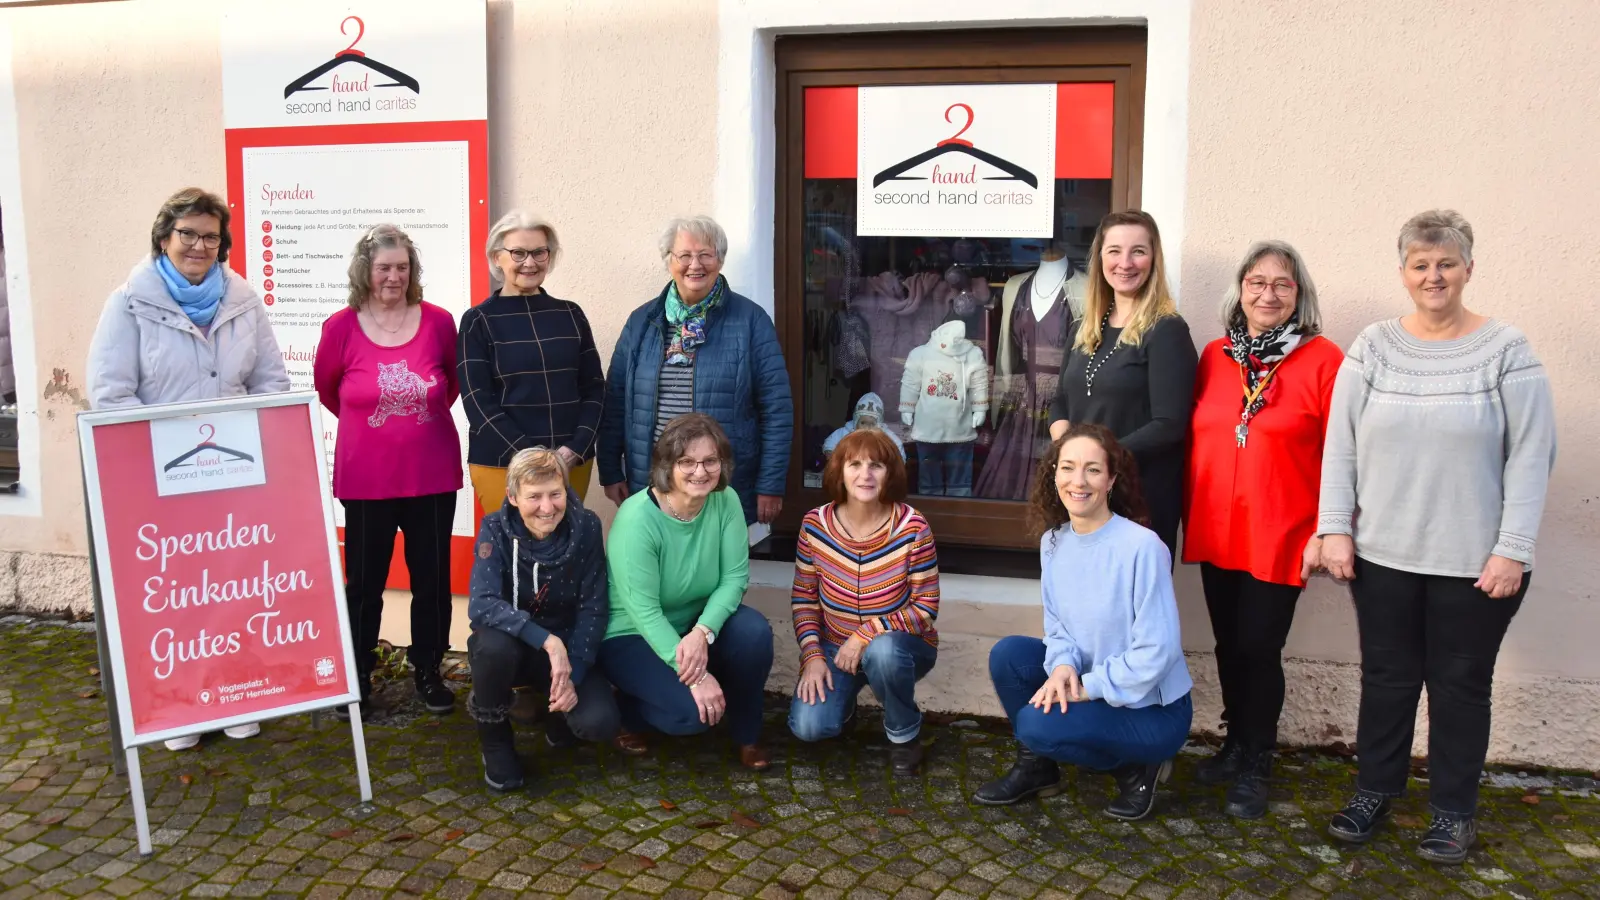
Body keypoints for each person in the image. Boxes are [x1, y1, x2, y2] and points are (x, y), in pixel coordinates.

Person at [1317, 210, 1556, 864]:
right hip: (1384, 556)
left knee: (1459, 686)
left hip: (1476, 563)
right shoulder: (1373, 347)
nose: (1434, 276)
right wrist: (1334, 529)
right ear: (1403, 274)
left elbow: (1531, 456)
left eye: (1446, 263)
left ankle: (1453, 811)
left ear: (1468, 269)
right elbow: (1342, 448)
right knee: (1387, 679)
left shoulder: (1506, 350)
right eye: (1420, 265)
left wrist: (1513, 548)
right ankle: (1375, 791)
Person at [87, 187, 289, 750]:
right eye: (188, 234)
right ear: (163, 238)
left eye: (211, 236)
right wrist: (167, 444)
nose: (200, 245)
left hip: (233, 472)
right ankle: (181, 705)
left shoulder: (244, 301)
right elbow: (110, 395)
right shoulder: (128, 304)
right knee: (175, 591)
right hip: (163, 479)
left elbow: (270, 382)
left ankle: (234, 692)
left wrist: (252, 437)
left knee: (231, 586)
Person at [1182, 241, 1344, 819]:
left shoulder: (1324, 360)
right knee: (1229, 643)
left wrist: (1331, 529)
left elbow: (1343, 453)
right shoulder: (1215, 355)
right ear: (1240, 289)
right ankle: (1232, 744)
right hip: (1218, 525)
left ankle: (1257, 758)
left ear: (1299, 295)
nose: (1268, 294)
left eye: (1282, 284)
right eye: (1257, 282)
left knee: (1259, 645)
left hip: (1282, 531)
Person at [974, 425, 1193, 821]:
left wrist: (1085, 688)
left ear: (1111, 480)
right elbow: (1057, 627)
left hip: (1150, 710)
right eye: (1068, 467)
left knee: (1036, 725)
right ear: (1053, 474)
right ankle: (1039, 768)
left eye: (1093, 470)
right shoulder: (1054, 542)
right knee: (1008, 655)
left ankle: (1137, 769)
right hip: (1091, 685)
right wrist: (1061, 667)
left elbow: (1156, 653)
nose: (1079, 481)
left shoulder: (1142, 547)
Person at [313, 225, 462, 717]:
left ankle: (427, 671)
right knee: (364, 583)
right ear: (365, 272)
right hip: (366, 478)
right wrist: (378, 427)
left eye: (403, 267)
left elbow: (451, 385)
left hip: (432, 475)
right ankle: (357, 675)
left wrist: (411, 424)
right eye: (384, 268)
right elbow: (330, 391)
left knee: (433, 582)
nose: (394, 276)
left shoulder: (439, 322)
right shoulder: (340, 327)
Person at [598, 413, 775, 769]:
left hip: (694, 624)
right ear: (667, 466)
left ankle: (747, 736)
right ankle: (627, 712)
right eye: (687, 462)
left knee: (753, 632)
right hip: (633, 634)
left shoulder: (724, 501)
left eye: (710, 461)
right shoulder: (636, 520)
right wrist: (696, 677)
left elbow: (735, 578)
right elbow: (644, 612)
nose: (700, 471)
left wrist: (702, 632)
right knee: (690, 717)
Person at [598, 216, 793, 527]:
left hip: (719, 482)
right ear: (669, 261)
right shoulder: (641, 322)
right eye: (684, 255)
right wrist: (610, 470)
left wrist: (770, 484)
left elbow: (777, 409)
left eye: (706, 254)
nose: (695, 264)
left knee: (713, 568)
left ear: (720, 259)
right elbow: (615, 402)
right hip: (651, 479)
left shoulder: (751, 321)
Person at [466, 447, 619, 791]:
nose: (547, 508)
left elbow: (594, 606)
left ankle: (552, 711)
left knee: (599, 724)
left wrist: (573, 670)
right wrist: (547, 641)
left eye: (555, 494)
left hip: (567, 649)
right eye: (534, 496)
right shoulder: (494, 528)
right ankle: (495, 740)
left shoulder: (588, 528)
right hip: (513, 648)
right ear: (513, 497)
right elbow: (482, 603)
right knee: (490, 646)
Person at [788, 429, 939, 775]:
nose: (865, 474)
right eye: (854, 464)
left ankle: (905, 734)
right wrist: (812, 654)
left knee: (882, 653)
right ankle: (845, 704)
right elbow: (804, 599)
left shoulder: (912, 527)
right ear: (839, 471)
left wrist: (866, 633)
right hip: (834, 647)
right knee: (809, 728)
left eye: (877, 465)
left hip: (901, 647)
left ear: (891, 473)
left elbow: (925, 608)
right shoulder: (815, 525)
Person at [1047, 211, 1197, 558]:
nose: (1125, 263)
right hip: (1081, 494)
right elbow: (1060, 402)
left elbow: (1169, 425)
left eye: (1138, 251)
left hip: (1136, 498)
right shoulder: (1084, 327)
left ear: (1154, 259)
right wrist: (1069, 456)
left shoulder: (1166, 330)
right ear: (1100, 258)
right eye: (1114, 251)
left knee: (1127, 606)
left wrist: (1094, 459)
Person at [459, 211, 605, 510]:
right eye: (518, 253)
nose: (530, 262)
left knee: (567, 551)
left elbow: (594, 389)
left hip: (570, 462)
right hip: (502, 464)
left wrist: (575, 449)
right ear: (497, 257)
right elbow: (477, 401)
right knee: (512, 554)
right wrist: (534, 456)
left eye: (539, 252)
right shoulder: (478, 321)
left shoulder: (570, 314)